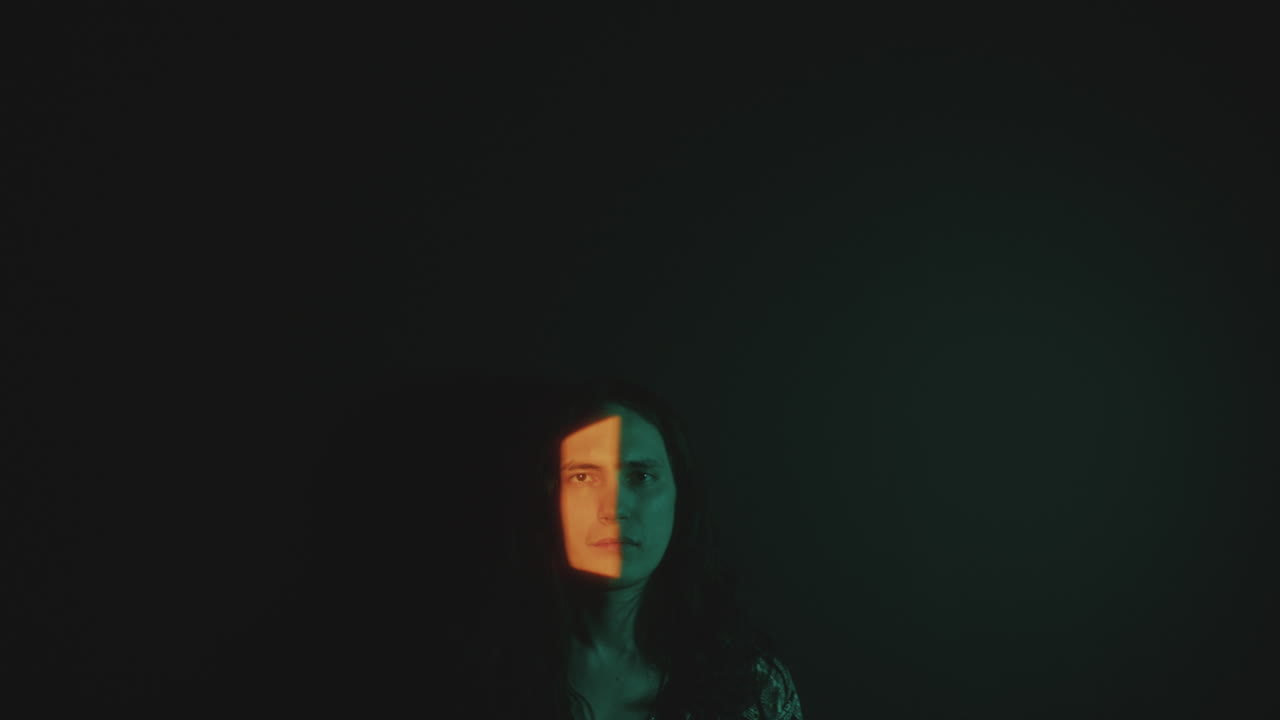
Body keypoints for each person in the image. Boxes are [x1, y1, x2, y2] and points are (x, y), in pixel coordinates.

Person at [476, 376, 803, 720]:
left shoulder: (752, 688)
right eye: (583, 477)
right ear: (548, 496)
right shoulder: (480, 673)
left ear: (680, 496)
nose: (614, 507)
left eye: (641, 476)